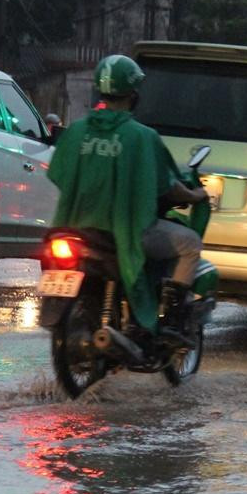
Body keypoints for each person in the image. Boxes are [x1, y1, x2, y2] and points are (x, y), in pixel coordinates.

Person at [48, 54, 206, 339]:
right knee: (191, 244)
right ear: (133, 94)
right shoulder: (142, 137)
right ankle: (171, 319)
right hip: (126, 232)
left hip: (75, 227)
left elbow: (59, 174)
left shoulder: (76, 132)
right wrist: (195, 196)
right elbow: (168, 186)